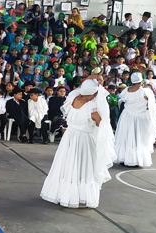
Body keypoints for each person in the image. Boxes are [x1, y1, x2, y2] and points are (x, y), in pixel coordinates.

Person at [40, 79, 116, 209]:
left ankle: (61, 194)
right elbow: (101, 124)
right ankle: (79, 196)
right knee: (83, 167)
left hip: (69, 137)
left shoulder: (73, 99)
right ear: (92, 95)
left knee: (67, 165)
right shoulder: (91, 108)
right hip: (84, 140)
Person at [114, 72, 156, 167]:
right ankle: (136, 160)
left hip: (127, 116)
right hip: (140, 117)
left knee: (126, 137)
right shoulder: (146, 91)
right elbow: (152, 106)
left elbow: (120, 102)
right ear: (141, 81)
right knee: (139, 139)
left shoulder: (126, 90)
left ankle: (125, 158)